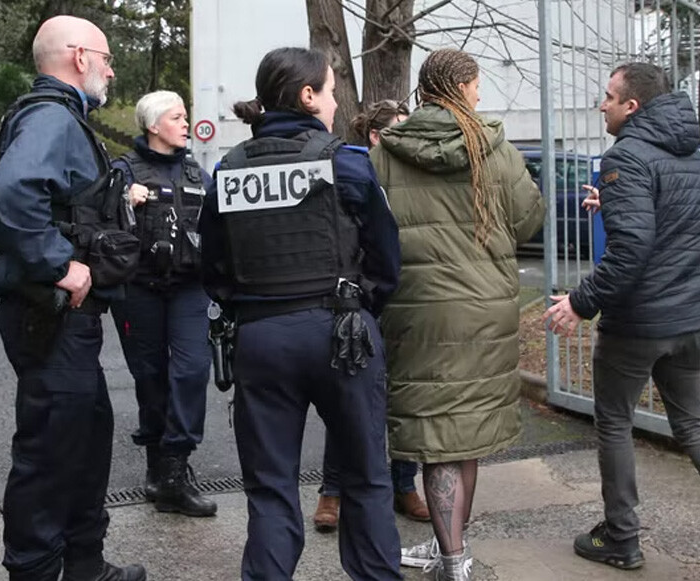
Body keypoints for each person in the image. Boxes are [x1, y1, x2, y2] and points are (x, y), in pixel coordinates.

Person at [542, 62, 700, 581]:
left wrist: (580, 302)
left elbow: (630, 252)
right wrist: (611, 202)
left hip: (640, 325)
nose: (600, 104)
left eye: (608, 96)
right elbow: (668, 220)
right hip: (694, 319)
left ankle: (621, 538)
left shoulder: (624, 156)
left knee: (613, 422)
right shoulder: (687, 156)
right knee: (695, 424)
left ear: (631, 106)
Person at [197, 47, 403, 581]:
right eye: (331, 92)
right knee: (366, 477)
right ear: (307, 96)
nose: (335, 105)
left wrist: (250, 308)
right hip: (342, 334)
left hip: (260, 340)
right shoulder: (347, 161)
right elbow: (386, 255)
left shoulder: (230, 169)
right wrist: (360, 305)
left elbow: (212, 265)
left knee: (269, 488)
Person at [0, 15, 147, 581]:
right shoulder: (52, 119)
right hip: (49, 315)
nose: (110, 69)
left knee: (87, 433)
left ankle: (84, 564)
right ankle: (36, 571)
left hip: (61, 321)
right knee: (51, 452)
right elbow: (11, 195)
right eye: (105, 57)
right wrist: (61, 266)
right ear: (79, 57)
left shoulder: (56, 118)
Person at [369, 49, 545, 581]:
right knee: (462, 431)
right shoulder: (494, 148)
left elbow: (368, 232)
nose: (479, 94)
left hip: (415, 314)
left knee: (438, 433)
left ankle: (452, 553)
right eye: (476, 84)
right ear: (461, 86)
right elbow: (530, 219)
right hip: (485, 313)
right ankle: (454, 554)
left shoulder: (386, 153)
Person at [313, 98, 430, 533]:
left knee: (405, 397)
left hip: (408, 296)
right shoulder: (354, 170)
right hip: (360, 299)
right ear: (377, 137)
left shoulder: (418, 175)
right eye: (401, 130)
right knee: (347, 399)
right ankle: (332, 491)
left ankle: (405, 485)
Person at [110, 90, 217, 518]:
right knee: (150, 376)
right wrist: (123, 201)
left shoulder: (197, 172)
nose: (186, 123)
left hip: (190, 287)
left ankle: (175, 465)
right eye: (177, 117)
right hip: (139, 289)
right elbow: (96, 219)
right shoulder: (123, 170)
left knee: (192, 370)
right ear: (154, 125)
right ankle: (158, 465)